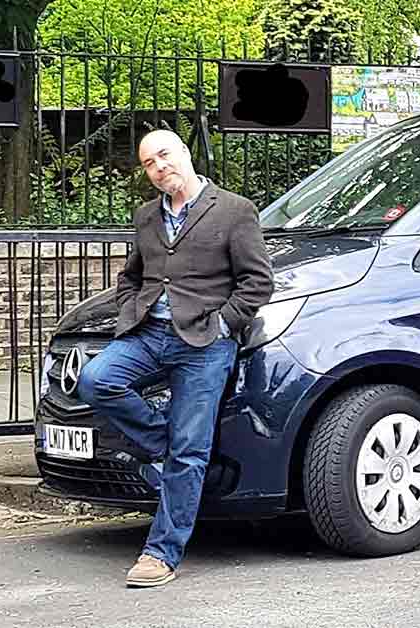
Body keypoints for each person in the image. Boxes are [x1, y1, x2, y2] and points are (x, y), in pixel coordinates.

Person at [77, 129, 274, 588]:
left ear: (184, 153)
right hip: (149, 333)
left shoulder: (234, 210)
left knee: (192, 449)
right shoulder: (147, 216)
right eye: (148, 163)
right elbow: (132, 276)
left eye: (164, 155)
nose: (159, 166)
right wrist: (132, 311)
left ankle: (160, 553)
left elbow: (257, 282)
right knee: (97, 380)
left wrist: (224, 324)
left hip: (206, 341)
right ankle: (166, 445)